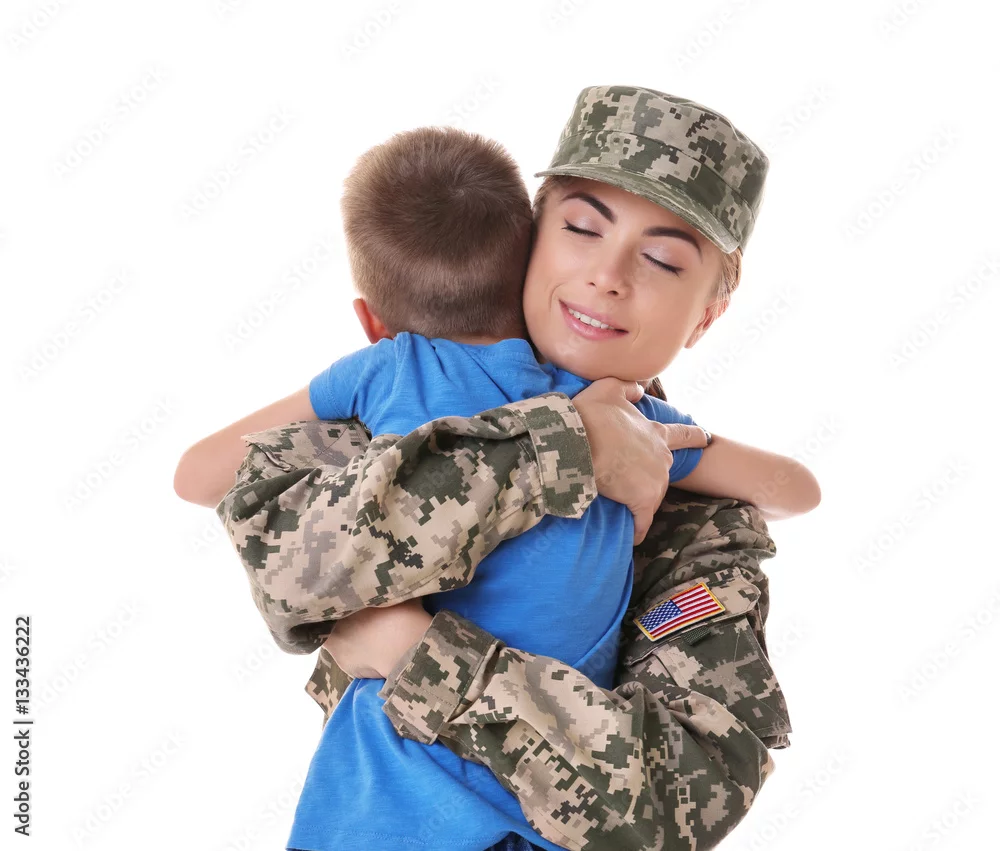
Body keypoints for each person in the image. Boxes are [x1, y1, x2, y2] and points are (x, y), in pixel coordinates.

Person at [178, 85, 813, 850]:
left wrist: (415, 655)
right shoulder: (396, 404)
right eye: (581, 227)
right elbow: (287, 563)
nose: (608, 274)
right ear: (528, 241)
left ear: (708, 313)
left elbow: (670, 805)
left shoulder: (705, 528)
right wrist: (565, 444)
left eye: (662, 259)